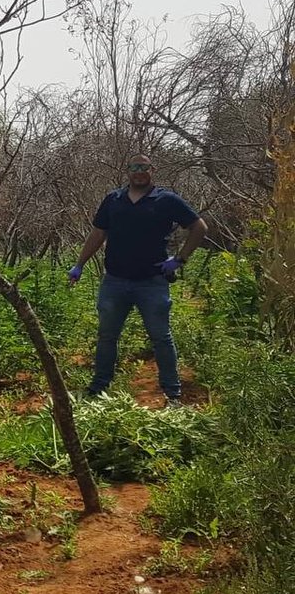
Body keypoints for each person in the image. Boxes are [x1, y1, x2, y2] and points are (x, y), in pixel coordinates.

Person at [69, 153, 208, 405]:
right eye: (134, 167)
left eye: (144, 167)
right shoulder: (114, 199)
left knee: (161, 338)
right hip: (115, 281)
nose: (139, 171)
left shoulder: (166, 200)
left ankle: (172, 394)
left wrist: (180, 259)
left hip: (152, 282)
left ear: (151, 170)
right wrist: (79, 264)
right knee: (107, 336)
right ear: (128, 171)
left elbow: (199, 227)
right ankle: (99, 388)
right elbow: (99, 233)